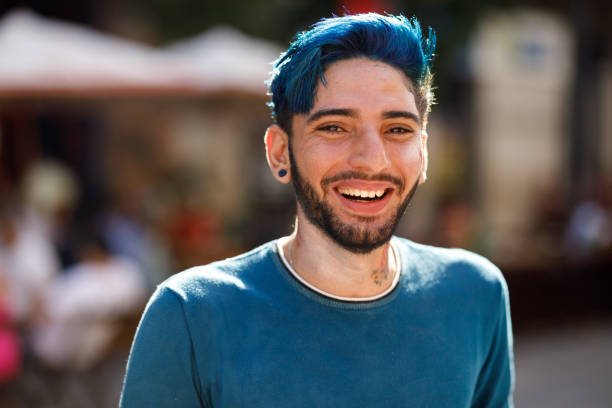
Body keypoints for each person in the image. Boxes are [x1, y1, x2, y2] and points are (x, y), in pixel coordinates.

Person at [120, 13, 514, 407]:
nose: (372, 161)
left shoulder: (476, 295)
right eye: (334, 127)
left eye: (398, 130)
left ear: (423, 153)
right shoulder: (190, 315)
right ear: (279, 152)